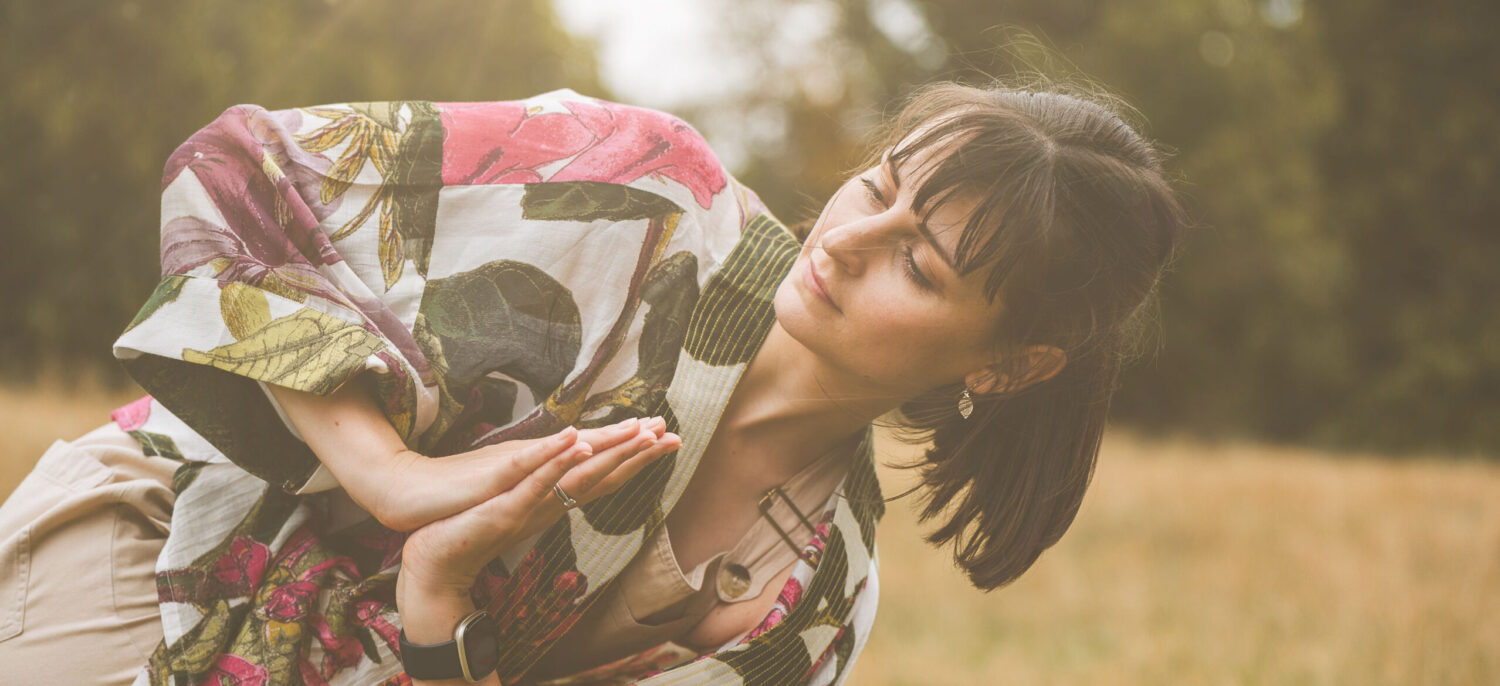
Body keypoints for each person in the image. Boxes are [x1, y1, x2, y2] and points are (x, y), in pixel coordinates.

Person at [0, 81, 1188, 685]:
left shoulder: (809, 607)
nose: (848, 242)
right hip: (162, 547)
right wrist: (395, 475)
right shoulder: (649, 189)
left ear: (1007, 361)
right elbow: (245, 169)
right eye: (876, 189)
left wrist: (436, 605)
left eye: (918, 267)